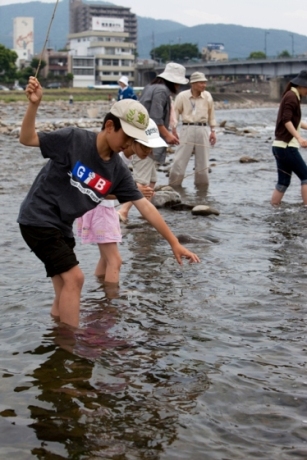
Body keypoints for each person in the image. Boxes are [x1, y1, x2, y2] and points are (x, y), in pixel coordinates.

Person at [18, 76, 199, 329]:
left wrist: (174, 242)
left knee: (63, 288)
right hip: (38, 218)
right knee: (75, 279)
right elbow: (27, 139)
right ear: (110, 126)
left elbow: (144, 206)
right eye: (128, 136)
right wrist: (34, 105)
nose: (129, 144)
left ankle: (58, 342)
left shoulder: (117, 170)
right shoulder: (75, 139)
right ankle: (72, 349)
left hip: (61, 227)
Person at [76, 124, 161, 283]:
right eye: (145, 146)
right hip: (101, 209)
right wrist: (136, 190)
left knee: (105, 258)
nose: (149, 151)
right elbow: (99, 187)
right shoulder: (117, 154)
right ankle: (111, 304)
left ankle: (100, 293)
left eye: (151, 147)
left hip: (97, 208)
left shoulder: (121, 155)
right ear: (132, 141)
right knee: (115, 261)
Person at [168, 72, 217, 187]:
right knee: (179, 159)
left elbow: (212, 114)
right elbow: (175, 113)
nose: (204, 85)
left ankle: (202, 190)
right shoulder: (182, 96)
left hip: (203, 129)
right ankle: (173, 186)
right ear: (193, 84)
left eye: (205, 82)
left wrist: (213, 131)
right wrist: (173, 129)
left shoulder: (208, 96)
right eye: (201, 82)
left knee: (203, 162)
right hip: (187, 128)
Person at [117, 118, 168, 223]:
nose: (148, 149)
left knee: (152, 179)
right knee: (142, 183)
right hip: (141, 149)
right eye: (146, 147)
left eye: (150, 147)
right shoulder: (129, 151)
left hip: (147, 150)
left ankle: (145, 209)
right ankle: (124, 210)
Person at [270, 70, 307, 205]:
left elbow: (294, 121)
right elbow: (286, 120)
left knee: (283, 182)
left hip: (279, 147)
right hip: (287, 147)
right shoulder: (292, 96)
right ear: (302, 85)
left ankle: (274, 208)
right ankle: (305, 210)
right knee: (306, 176)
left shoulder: (291, 95)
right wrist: (299, 138)